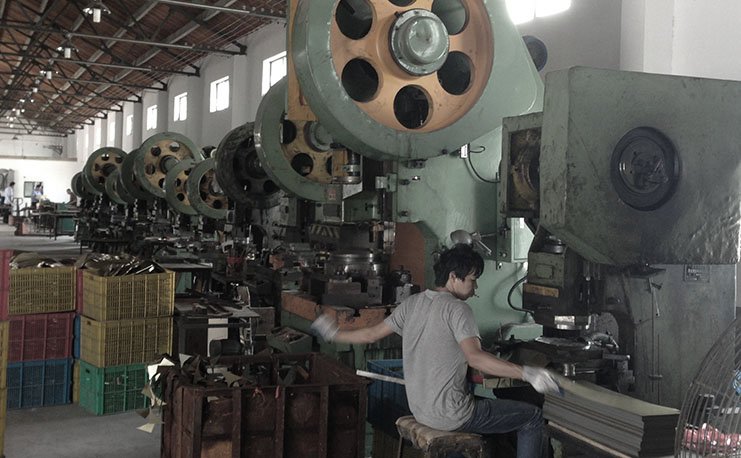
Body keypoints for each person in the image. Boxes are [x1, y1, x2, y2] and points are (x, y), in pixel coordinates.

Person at [311, 244, 560, 458]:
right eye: (472, 280)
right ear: (453, 277)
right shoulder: (458, 310)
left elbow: (370, 335)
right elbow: (476, 358)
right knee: (532, 417)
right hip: (452, 415)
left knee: (497, 415)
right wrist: (528, 374)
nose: (475, 288)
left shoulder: (411, 303)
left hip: (421, 410)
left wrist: (334, 334)